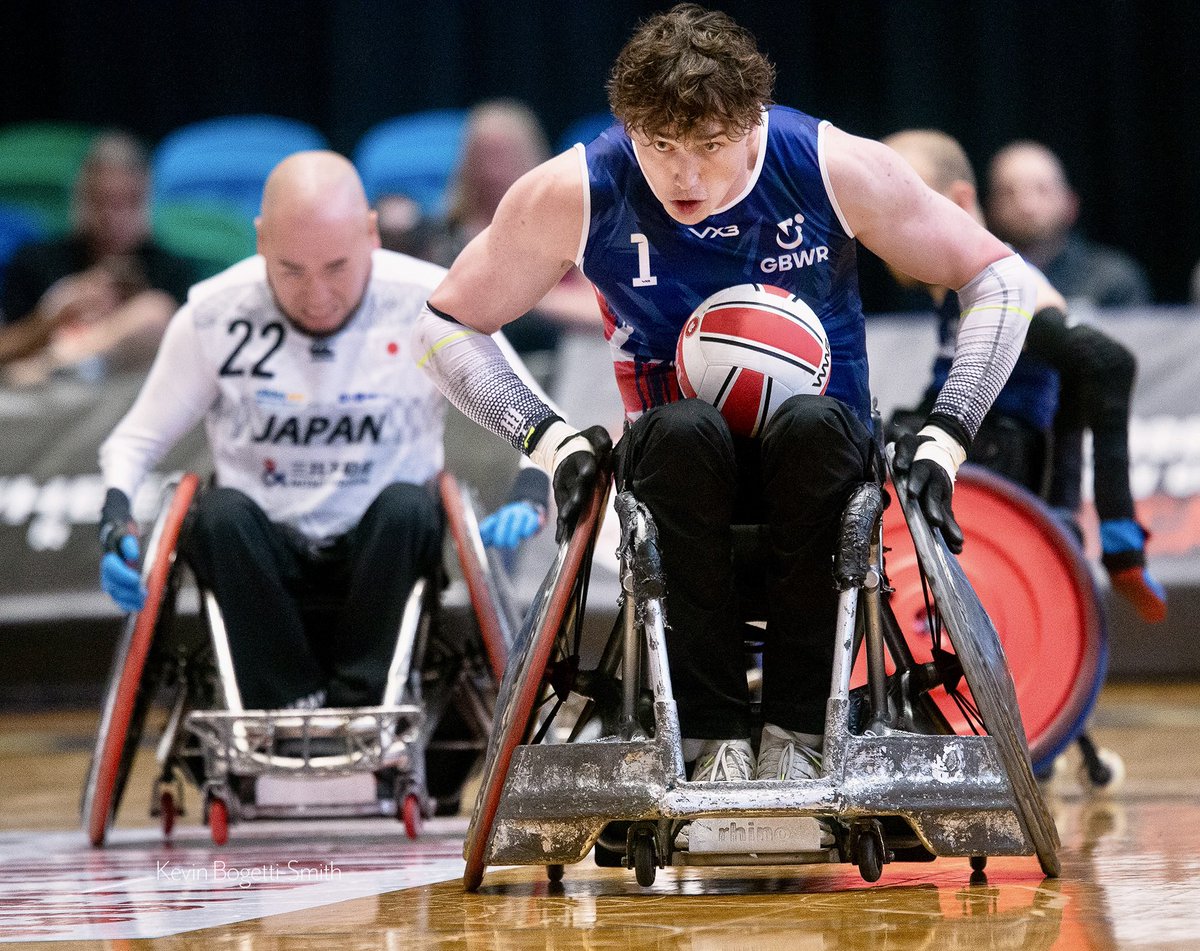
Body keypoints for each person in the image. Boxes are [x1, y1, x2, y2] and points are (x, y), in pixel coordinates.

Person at [415, 4, 1038, 785]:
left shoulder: (827, 163)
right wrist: (551, 440)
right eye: (660, 145)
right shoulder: (578, 187)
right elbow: (442, 325)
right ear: (629, 127)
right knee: (681, 430)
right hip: (675, 463)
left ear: (751, 127)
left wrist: (950, 432)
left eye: (709, 148)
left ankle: (804, 729)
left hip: (821, 453)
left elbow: (1000, 277)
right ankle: (709, 738)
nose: (684, 174)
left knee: (811, 424)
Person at [97, 151, 548, 710]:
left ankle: (361, 709)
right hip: (262, 560)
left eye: (336, 267)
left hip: (387, 556)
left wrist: (532, 493)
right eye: (290, 270)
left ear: (370, 234)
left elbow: (536, 417)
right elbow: (135, 441)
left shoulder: (432, 303)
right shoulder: (213, 314)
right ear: (261, 239)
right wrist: (116, 516)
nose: (316, 297)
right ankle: (288, 709)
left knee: (409, 505)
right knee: (215, 514)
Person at [884, 130, 1166, 624]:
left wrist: (1097, 530)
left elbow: (1106, 363)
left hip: (999, 457)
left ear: (958, 202)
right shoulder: (948, 274)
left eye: (896, 205)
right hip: (978, 444)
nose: (876, 228)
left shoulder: (1010, 280)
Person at [0, 131, 198, 384]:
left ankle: (62, 364)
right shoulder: (37, 260)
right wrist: (50, 316)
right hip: (45, 403)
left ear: (149, 201)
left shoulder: (172, 270)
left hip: (126, 396)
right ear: (80, 199)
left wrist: (125, 313)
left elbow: (189, 353)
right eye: (103, 201)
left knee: (154, 309)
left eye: (129, 202)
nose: (114, 217)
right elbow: (6, 350)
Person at [419, 99, 601, 354]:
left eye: (504, 156)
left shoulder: (561, 222)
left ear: (529, 156)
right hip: (473, 354)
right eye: (484, 157)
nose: (492, 171)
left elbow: (598, 311)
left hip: (551, 357)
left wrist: (531, 297)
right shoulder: (448, 231)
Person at [986, 141, 1152, 308]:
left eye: (1042, 190)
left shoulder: (1113, 279)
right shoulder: (982, 281)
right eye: (1008, 193)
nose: (1026, 205)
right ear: (990, 208)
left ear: (1071, 204)